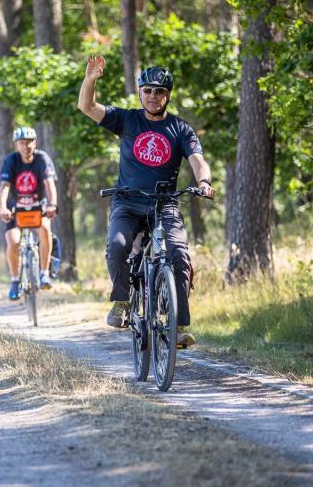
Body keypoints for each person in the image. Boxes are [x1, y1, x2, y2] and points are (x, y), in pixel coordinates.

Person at [77, 56, 215, 347]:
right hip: (127, 203)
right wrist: (90, 80)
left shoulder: (181, 129)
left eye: (160, 91)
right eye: (148, 90)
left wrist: (204, 182)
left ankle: (176, 326)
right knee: (117, 246)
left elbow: (198, 161)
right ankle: (123, 301)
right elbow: (87, 107)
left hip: (164, 205)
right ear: (140, 92)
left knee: (178, 256)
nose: (153, 96)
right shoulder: (127, 119)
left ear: (168, 95)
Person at [0, 126, 58, 300]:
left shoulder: (42, 158)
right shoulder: (11, 161)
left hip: (39, 207)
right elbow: (4, 187)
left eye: (29, 142)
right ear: (16, 145)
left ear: (35, 142)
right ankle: (15, 280)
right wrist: (2, 208)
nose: (26, 146)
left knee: (45, 230)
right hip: (15, 209)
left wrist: (52, 204)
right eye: (22, 143)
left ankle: (44, 273)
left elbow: (49, 184)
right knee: (14, 242)